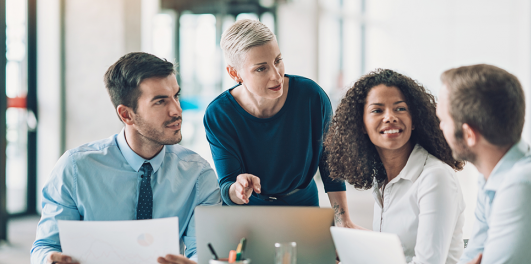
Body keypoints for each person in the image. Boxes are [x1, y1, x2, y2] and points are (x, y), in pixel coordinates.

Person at [31, 52, 221, 264]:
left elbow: (203, 251)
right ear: (126, 115)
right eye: (160, 102)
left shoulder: (198, 174)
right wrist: (50, 260)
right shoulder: (75, 168)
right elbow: (46, 246)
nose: (177, 110)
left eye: (176, 96)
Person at [203, 19, 359, 227]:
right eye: (261, 69)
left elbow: (330, 163)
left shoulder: (311, 97)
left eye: (278, 60)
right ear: (234, 73)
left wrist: (343, 220)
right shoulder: (219, 114)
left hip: (303, 206)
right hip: (249, 215)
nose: (276, 75)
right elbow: (228, 184)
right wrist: (238, 189)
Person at [324, 69, 466, 264]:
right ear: (362, 125)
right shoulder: (383, 182)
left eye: (400, 109)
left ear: (414, 120)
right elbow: (395, 255)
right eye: (377, 110)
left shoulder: (435, 177)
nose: (390, 117)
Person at [436, 64, 531, 264]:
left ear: (469, 135)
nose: (440, 127)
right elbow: (474, 256)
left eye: (443, 121)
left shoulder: (523, 187)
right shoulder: (493, 174)